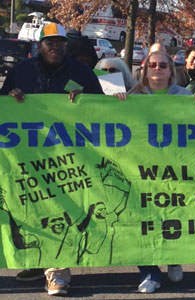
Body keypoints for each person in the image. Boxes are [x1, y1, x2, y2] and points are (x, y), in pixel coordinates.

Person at [0, 22, 103, 296]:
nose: (55, 47)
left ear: (66, 46)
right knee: (32, 210)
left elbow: (103, 111)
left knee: (63, 210)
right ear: (39, 46)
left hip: (70, 159)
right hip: (29, 157)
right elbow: (3, 106)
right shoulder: (21, 72)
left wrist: (87, 100)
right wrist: (11, 98)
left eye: (60, 43)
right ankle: (39, 262)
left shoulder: (81, 73)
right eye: (50, 43)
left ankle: (58, 271)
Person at [113, 51, 191, 293]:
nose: (158, 69)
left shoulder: (185, 96)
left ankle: (174, 258)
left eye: (163, 65)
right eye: (153, 65)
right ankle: (150, 272)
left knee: (173, 214)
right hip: (139, 168)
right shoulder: (132, 96)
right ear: (145, 70)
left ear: (171, 71)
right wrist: (113, 104)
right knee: (141, 220)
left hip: (174, 168)